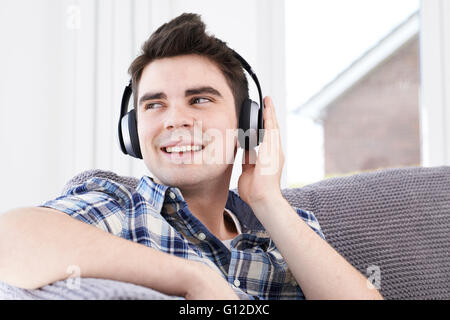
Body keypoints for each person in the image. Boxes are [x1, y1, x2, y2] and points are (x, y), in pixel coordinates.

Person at [0, 13, 382, 300]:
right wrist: (192, 277)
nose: (175, 119)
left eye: (199, 99)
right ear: (133, 132)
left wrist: (267, 198)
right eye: (154, 104)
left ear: (248, 124)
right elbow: (8, 241)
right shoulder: (122, 208)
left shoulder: (285, 233)